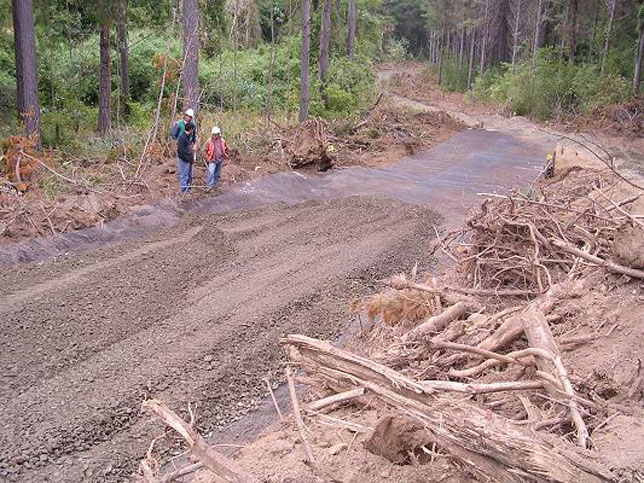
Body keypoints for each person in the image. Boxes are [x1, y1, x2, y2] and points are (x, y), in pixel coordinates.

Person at [203, 126, 229, 190]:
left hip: (219, 159)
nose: (215, 136)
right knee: (211, 173)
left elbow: (226, 148)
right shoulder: (209, 141)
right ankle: (209, 186)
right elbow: (204, 151)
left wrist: (225, 155)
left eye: (216, 134)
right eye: (214, 134)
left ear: (218, 134)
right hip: (212, 160)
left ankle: (215, 185)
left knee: (217, 173)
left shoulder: (222, 141)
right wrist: (208, 158)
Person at [177, 122, 195, 193]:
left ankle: (188, 189)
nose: (193, 131)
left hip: (189, 160)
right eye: (192, 130)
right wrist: (187, 159)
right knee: (184, 175)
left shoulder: (188, 137)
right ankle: (184, 190)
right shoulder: (182, 138)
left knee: (190, 175)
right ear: (190, 129)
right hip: (184, 161)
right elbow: (180, 152)